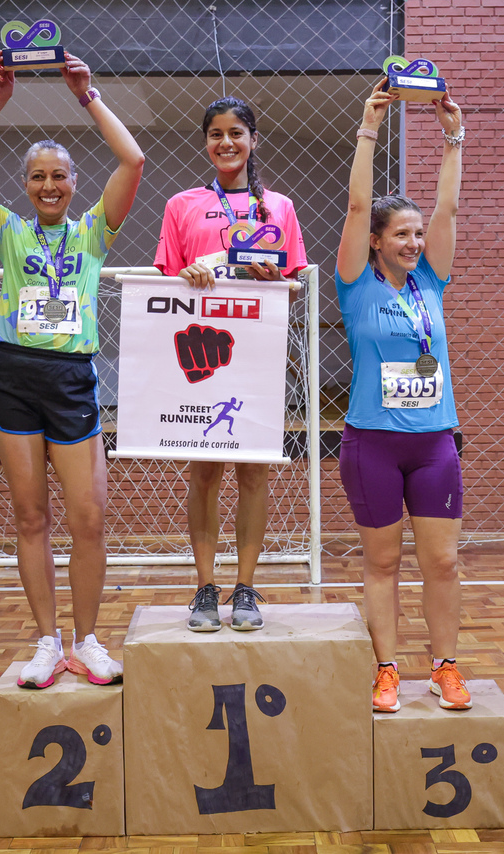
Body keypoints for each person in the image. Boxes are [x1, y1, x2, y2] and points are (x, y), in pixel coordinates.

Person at [0, 51, 143, 687]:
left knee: (88, 519)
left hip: (71, 380)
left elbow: (133, 160)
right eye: (37, 177)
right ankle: (48, 642)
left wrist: (87, 95)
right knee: (30, 519)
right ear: (25, 185)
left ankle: (88, 641)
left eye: (59, 176)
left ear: (75, 182)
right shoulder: (6, 231)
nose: (49, 186)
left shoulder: (93, 233)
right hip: (14, 377)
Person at [335, 80, 469, 713]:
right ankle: (386, 670)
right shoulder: (355, 283)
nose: (414, 243)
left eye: (417, 234)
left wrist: (453, 137)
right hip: (373, 445)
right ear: (376, 240)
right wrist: (369, 128)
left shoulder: (431, 283)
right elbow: (358, 205)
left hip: (434, 444)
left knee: (442, 563)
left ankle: (445, 667)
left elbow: (448, 210)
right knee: (383, 564)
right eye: (401, 235)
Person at [154, 96, 308, 633]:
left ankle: (245, 587)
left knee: (253, 472)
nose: (226, 142)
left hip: (258, 354)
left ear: (253, 139)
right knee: (203, 472)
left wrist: (278, 282)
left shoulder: (279, 208)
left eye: (237, 132)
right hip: (201, 352)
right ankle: (205, 588)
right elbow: (166, 283)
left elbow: (294, 289)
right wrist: (188, 277)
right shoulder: (182, 205)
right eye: (216, 133)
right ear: (205, 142)